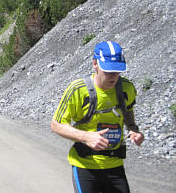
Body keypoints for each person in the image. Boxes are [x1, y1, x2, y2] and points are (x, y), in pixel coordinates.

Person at [51, 41, 144, 193]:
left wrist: (133, 129)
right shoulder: (78, 90)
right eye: (108, 70)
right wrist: (86, 136)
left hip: (115, 165)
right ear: (95, 63)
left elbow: (128, 110)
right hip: (85, 166)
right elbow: (56, 124)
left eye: (117, 70)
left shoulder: (127, 88)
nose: (113, 76)